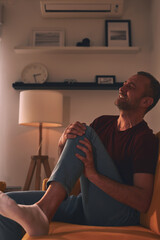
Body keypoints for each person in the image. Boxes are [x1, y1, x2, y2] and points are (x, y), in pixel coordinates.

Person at [0, 71, 160, 240]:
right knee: (8, 204)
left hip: (119, 214)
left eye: (131, 86)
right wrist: (63, 143)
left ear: (146, 101)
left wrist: (94, 176)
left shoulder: (144, 139)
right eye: (125, 82)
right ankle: (40, 211)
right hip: (86, 204)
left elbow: (142, 201)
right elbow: (72, 167)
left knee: (83, 131)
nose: (122, 87)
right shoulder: (103, 123)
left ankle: (42, 211)